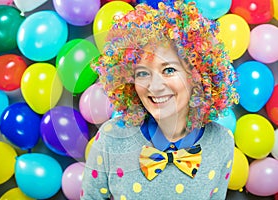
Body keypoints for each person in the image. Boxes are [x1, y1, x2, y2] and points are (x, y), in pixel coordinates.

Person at [81, 1, 239, 199]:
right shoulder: (111, 138)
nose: (154, 86)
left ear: (197, 75)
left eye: (169, 70)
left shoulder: (221, 142)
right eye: (142, 73)